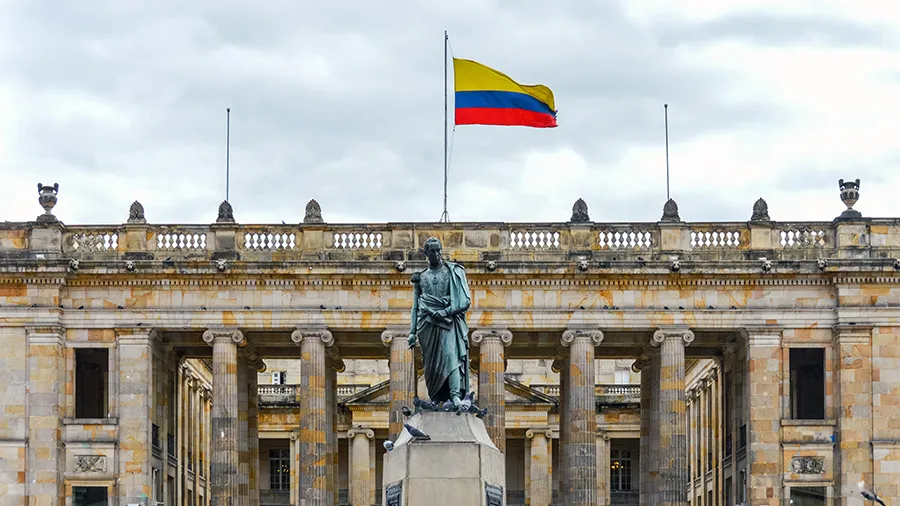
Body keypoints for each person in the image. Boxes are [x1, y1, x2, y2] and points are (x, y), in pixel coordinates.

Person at [407, 237, 472, 407]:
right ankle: (435, 398)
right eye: (432, 251)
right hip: (427, 324)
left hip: (448, 321)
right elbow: (415, 306)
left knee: (451, 356)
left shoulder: (454, 272)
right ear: (426, 254)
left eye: (438, 250)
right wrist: (412, 332)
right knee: (430, 365)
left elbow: (464, 301)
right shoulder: (420, 278)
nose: (436, 254)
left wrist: (445, 311)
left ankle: (455, 395)